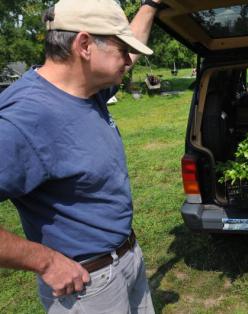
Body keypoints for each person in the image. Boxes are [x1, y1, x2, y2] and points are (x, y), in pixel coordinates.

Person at [0, 0, 162, 312]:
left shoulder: (89, 90)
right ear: (85, 44)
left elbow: (133, 49)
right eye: (121, 50)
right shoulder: (23, 119)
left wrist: (151, 5)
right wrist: (45, 262)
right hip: (86, 285)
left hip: (127, 256)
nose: (130, 60)